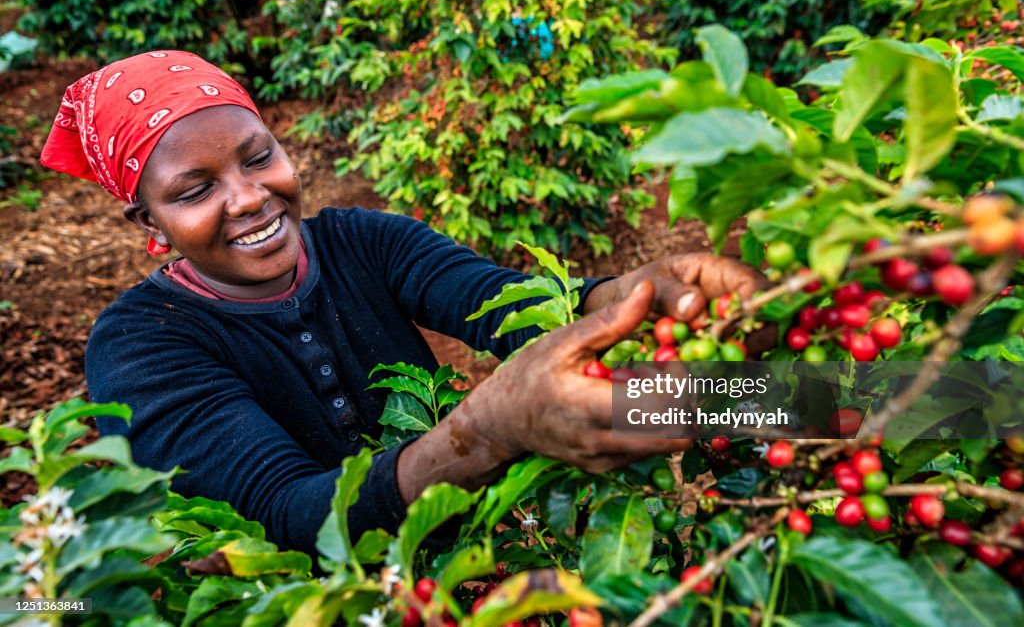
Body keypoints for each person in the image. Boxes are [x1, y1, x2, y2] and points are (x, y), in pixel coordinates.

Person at [40, 51, 770, 556]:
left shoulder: (364, 241)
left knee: (829, 402)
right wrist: (487, 432)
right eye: (195, 191)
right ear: (149, 223)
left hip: (476, 566)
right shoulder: (141, 346)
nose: (250, 197)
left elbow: (509, 305)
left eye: (258, 156)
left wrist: (639, 294)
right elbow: (287, 519)